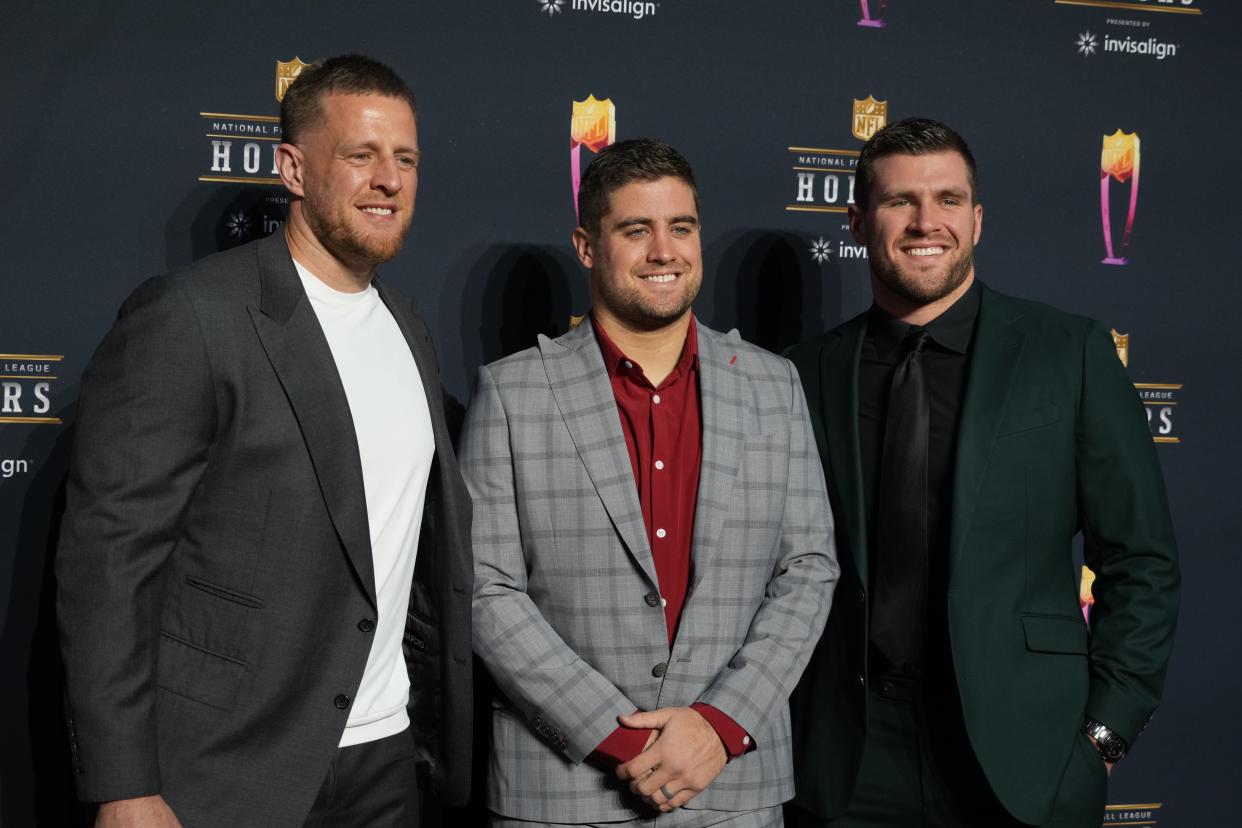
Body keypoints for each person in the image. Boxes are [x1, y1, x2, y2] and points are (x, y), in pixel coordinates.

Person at [56, 54, 472, 827]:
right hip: (228, 766)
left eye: (405, 158)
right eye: (360, 155)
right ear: (293, 168)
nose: (389, 178)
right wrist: (123, 785)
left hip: (386, 759)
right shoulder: (193, 317)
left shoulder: (408, 325)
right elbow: (111, 563)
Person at [784, 118, 1180, 827]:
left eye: (947, 199)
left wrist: (1103, 735)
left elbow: (1141, 557)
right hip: (847, 761)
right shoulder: (803, 373)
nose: (925, 221)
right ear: (856, 220)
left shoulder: (1069, 353)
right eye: (900, 201)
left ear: (978, 218)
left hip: (1026, 758)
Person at [461, 138, 838, 827]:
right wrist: (618, 735)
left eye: (682, 228)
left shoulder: (772, 385)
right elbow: (485, 587)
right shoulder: (513, 392)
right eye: (637, 230)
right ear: (586, 245)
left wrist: (721, 724)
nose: (665, 251)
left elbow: (808, 570)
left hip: (732, 788)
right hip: (564, 789)